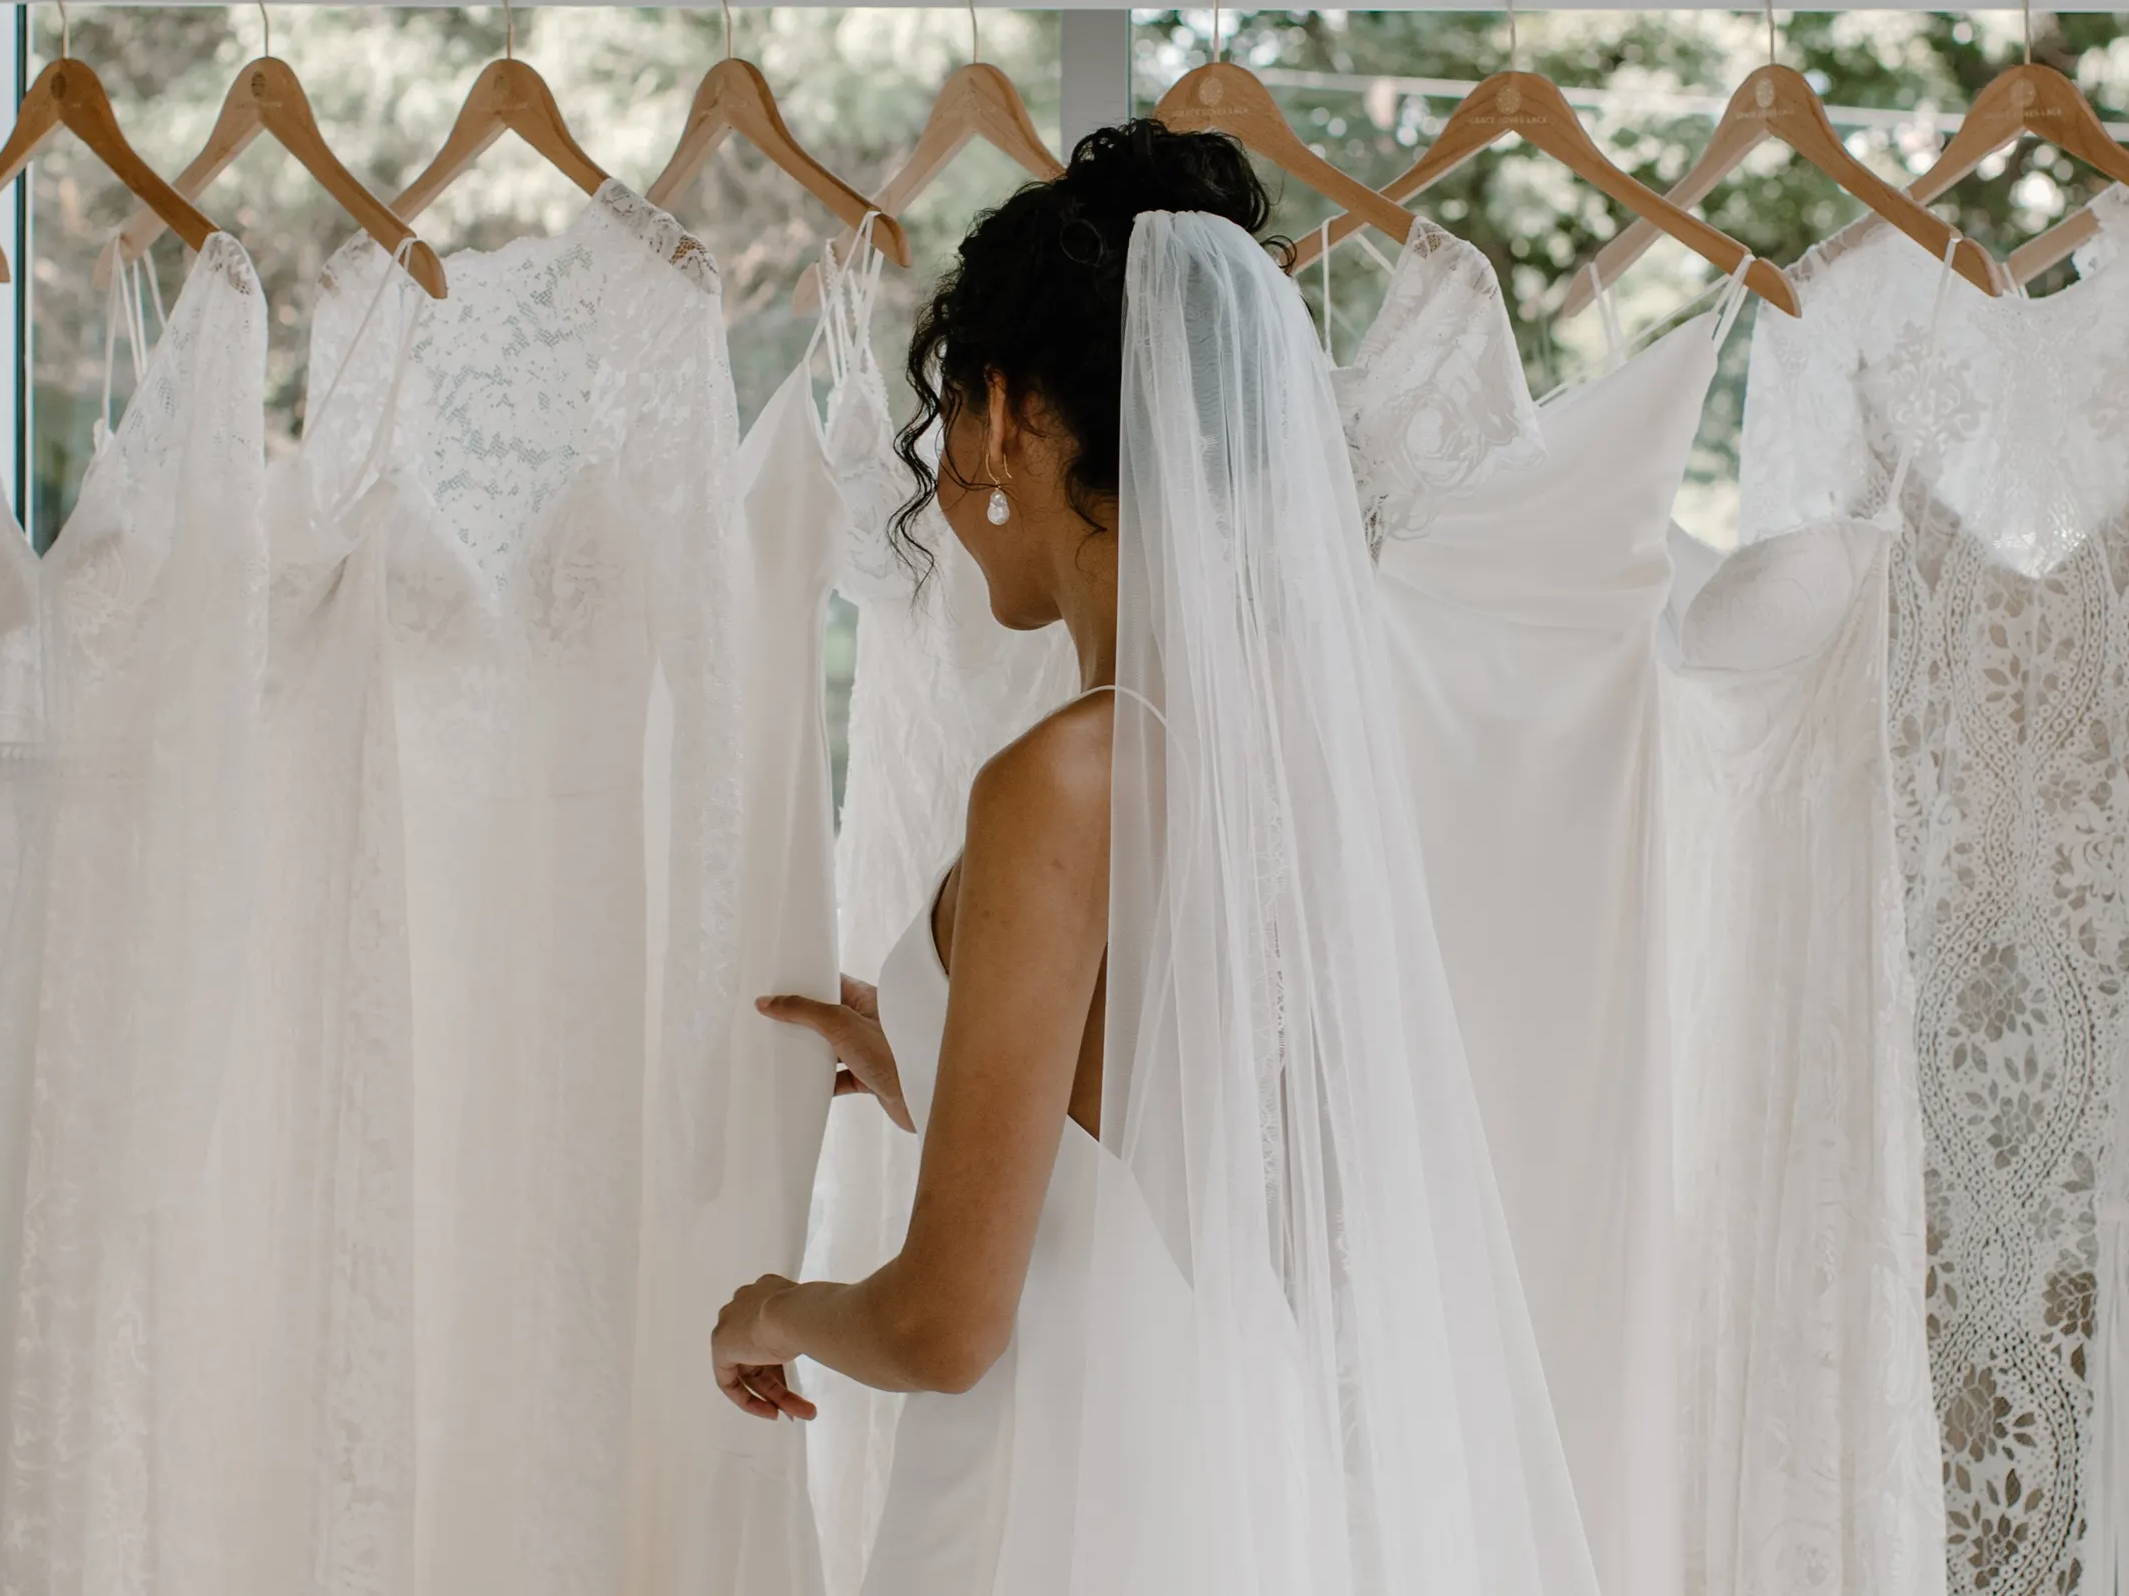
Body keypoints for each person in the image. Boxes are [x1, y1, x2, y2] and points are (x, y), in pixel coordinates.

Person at [713, 121, 1598, 1596]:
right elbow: (1161, 1117)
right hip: (1220, 1458)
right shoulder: (1283, 751)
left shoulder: (1061, 779)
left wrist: (769, 1311)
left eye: (941, 437)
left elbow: (946, 1326)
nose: (942, 485)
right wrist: (921, 1044)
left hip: (1055, 1498)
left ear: (1000, 421)